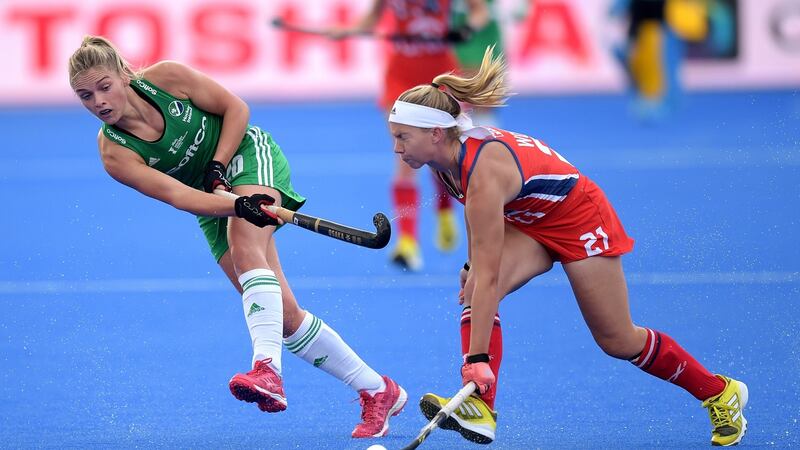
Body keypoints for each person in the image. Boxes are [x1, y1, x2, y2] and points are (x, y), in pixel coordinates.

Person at [386, 46, 748, 446]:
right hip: (531, 219)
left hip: (579, 218)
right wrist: (473, 266)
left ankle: (719, 392)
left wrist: (476, 360)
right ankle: (483, 409)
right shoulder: (446, 163)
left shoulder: (482, 172)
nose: (396, 148)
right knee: (474, 286)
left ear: (436, 133)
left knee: (618, 341)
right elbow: (481, 243)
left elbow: (489, 267)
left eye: (403, 137)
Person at [68, 35, 407, 439]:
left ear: (123, 75)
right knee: (283, 317)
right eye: (85, 96)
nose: (99, 102)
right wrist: (235, 204)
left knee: (246, 251)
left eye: (104, 86)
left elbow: (236, 109)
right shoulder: (115, 153)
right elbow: (179, 196)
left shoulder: (167, 78)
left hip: (247, 153)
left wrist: (218, 165)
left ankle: (267, 370)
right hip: (209, 200)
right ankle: (377, 389)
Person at [326, 0, 490, 271]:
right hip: (401, 79)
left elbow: (480, 11)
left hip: (441, 79)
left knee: (442, 155)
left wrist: (466, 29)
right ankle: (407, 243)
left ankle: (444, 210)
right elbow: (372, 19)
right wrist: (347, 31)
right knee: (405, 157)